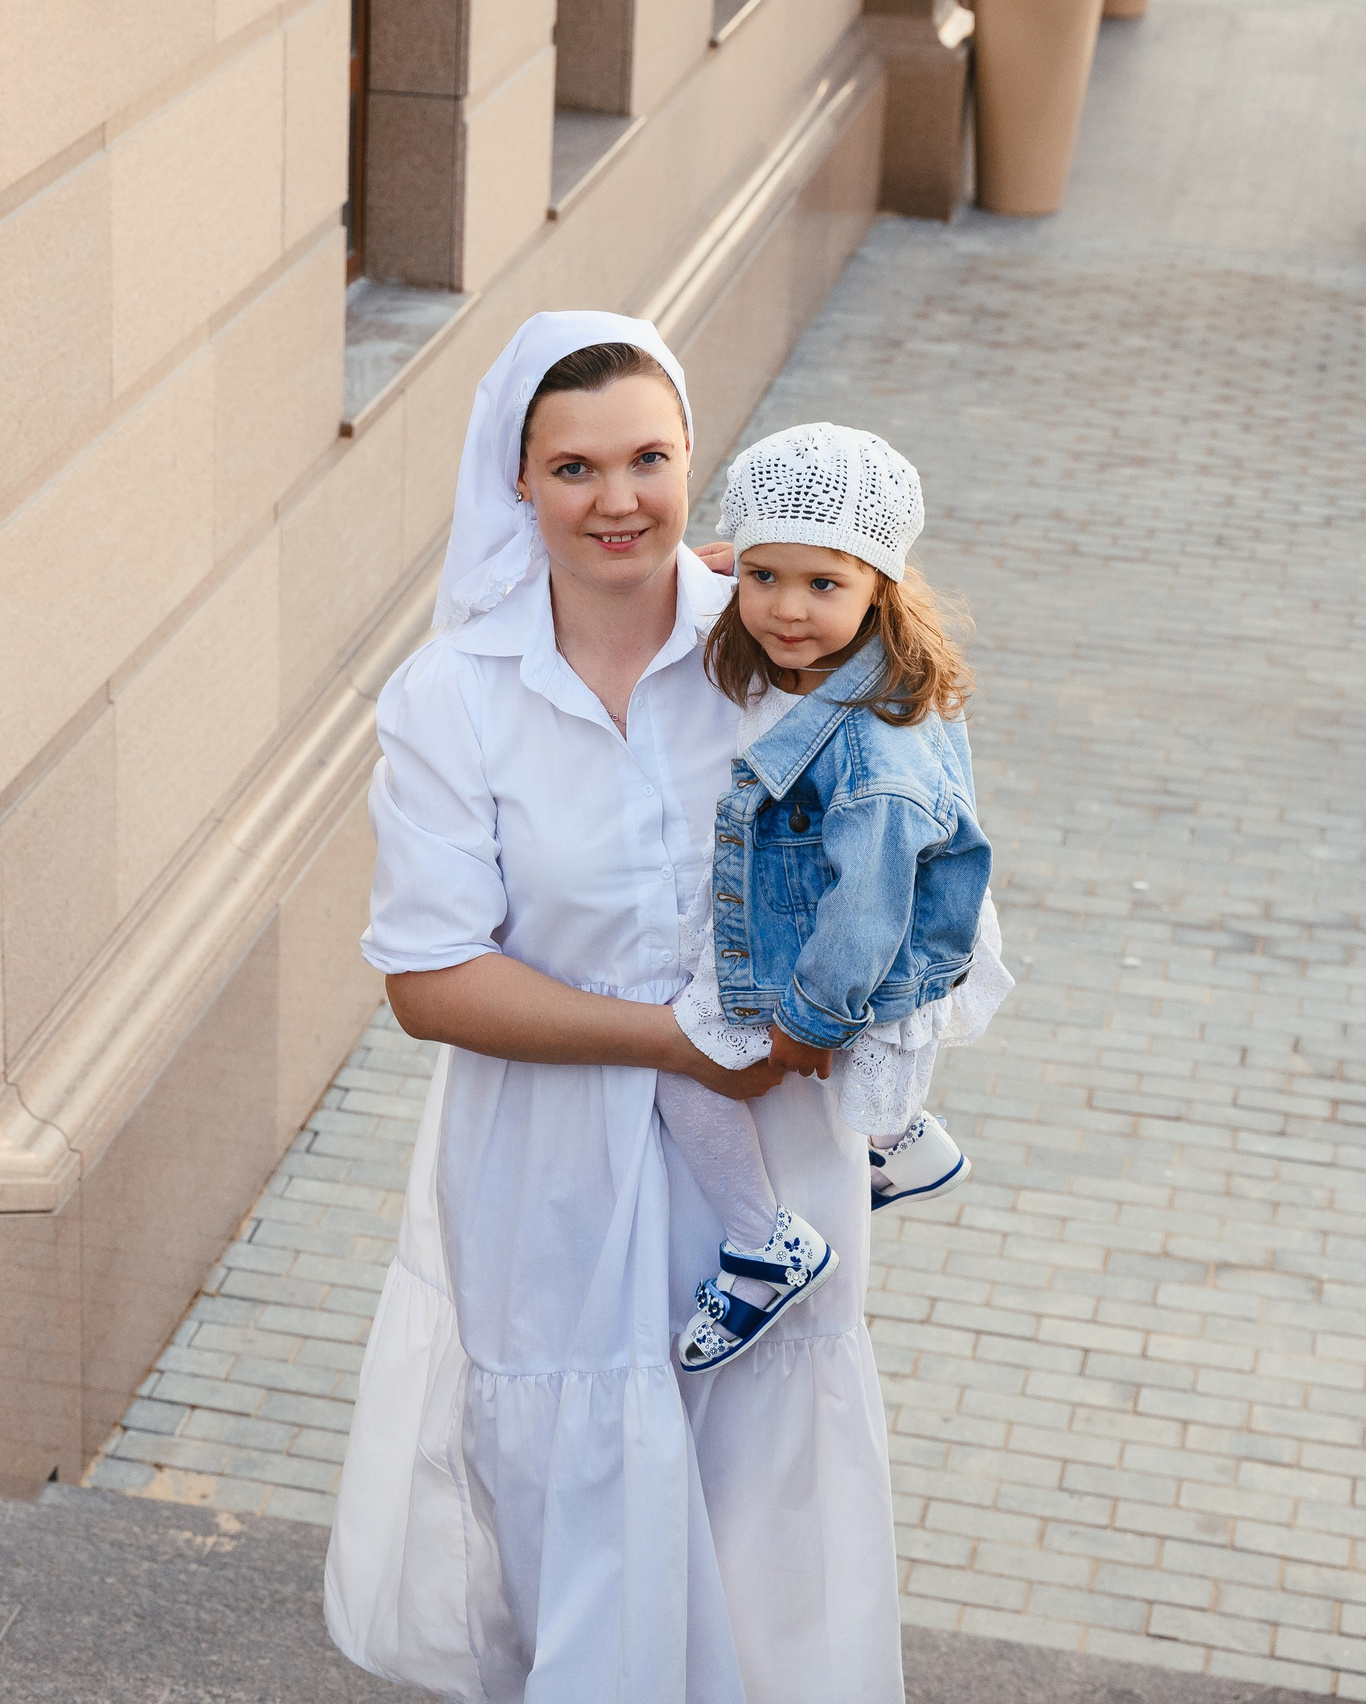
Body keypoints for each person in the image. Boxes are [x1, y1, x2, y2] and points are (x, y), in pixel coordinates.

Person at [324, 313, 905, 1704]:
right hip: (556, 1174)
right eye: (573, 467)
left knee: (764, 1517)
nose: (619, 499)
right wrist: (675, 1042)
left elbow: (908, 823)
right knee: (583, 1511)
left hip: (769, 1176)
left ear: (694, 455)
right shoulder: (454, 700)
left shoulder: (785, 643)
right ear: (515, 482)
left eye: (651, 457)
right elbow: (428, 980)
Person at [656, 422, 1013, 1377]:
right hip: (855, 927)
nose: (784, 609)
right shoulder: (866, 665)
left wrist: (810, 1023)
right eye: (763, 577)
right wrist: (710, 560)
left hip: (837, 955)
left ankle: (765, 1243)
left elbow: (866, 907)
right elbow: (764, 556)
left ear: (879, 586)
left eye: (824, 585)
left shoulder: (872, 751)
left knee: (682, 1069)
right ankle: (904, 1140)